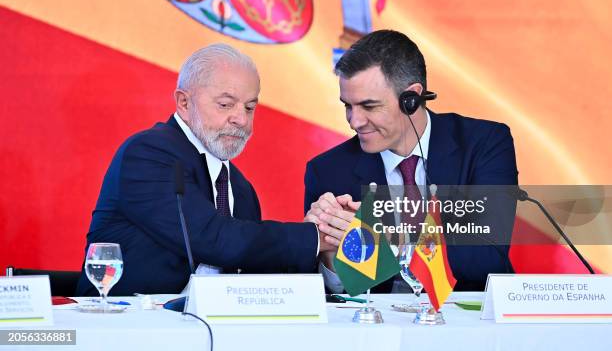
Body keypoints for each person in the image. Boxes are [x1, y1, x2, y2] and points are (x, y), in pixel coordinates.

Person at [77, 44, 341, 296]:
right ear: (184, 103)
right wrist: (313, 237)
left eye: (250, 107)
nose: (241, 119)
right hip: (132, 328)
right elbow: (215, 239)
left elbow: (258, 271)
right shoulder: (148, 154)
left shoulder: (240, 188)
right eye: (225, 104)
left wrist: (328, 246)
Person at [304, 30, 518, 292]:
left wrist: (383, 242)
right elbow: (335, 294)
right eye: (348, 105)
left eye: (369, 106)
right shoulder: (327, 171)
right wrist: (331, 253)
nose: (354, 121)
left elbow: (486, 256)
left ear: (412, 99)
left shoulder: (484, 144)